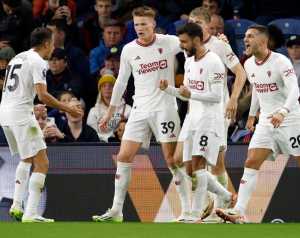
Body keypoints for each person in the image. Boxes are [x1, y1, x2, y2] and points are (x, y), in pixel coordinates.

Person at [92, 6, 183, 222]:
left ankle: (188, 209)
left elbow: (197, 44)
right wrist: (110, 112)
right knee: (124, 156)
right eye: (136, 24)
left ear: (153, 24)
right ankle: (116, 210)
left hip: (165, 109)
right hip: (140, 109)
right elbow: (121, 82)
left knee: (171, 159)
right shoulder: (129, 50)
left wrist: (218, 42)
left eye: (144, 24)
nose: (140, 28)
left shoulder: (169, 42)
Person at [216, 25, 300, 224]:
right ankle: (238, 211)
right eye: (245, 36)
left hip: (291, 119)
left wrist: (283, 111)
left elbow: (295, 91)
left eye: (250, 36)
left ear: (263, 41)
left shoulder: (281, 61)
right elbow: (257, 89)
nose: (245, 39)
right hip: (266, 122)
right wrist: (252, 115)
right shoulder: (249, 65)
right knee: (251, 161)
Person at [0, 27, 82, 222]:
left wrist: (31, 108)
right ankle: (28, 212)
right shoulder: (39, 61)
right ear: (46, 44)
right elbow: (43, 94)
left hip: (6, 114)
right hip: (20, 116)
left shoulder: (18, 57)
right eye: (52, 43)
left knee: (28, 158)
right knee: (43, 162)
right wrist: (68, 109)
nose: (53, 47)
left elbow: (16, 91)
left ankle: (18, 205)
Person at [160, 22, 236, 222]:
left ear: (196, 39)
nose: (182, 46)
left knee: (199, 166)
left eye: (184, 42)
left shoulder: (214, 62)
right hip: (192, 118)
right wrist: (169, 89)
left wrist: (191, 93)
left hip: (209, 120)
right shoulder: (189, 62)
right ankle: (226, 196)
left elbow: (216, 97)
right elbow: (187, 95)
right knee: (189, 168)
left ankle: (195, 213)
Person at [185, 7, 246, 221]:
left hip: (217, 112)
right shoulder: (189, 47)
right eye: (191, 22)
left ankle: (222, 210)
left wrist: (233, 99)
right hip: (195, 113)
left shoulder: (220, 46)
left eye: (198, 23)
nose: (193, 26)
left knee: (216, 162)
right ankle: (218, 202)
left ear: (208, 25)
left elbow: (241, 73)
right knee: (194, 163)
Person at [87, 73, 131, 142]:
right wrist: (109, 137)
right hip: (101, 147)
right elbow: (91, 133)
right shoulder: (93, 111)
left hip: (124, 145)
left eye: (111, 86)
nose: (107, 88)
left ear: (116, 89)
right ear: (100, 90)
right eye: (104, 86)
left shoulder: (127, 109)